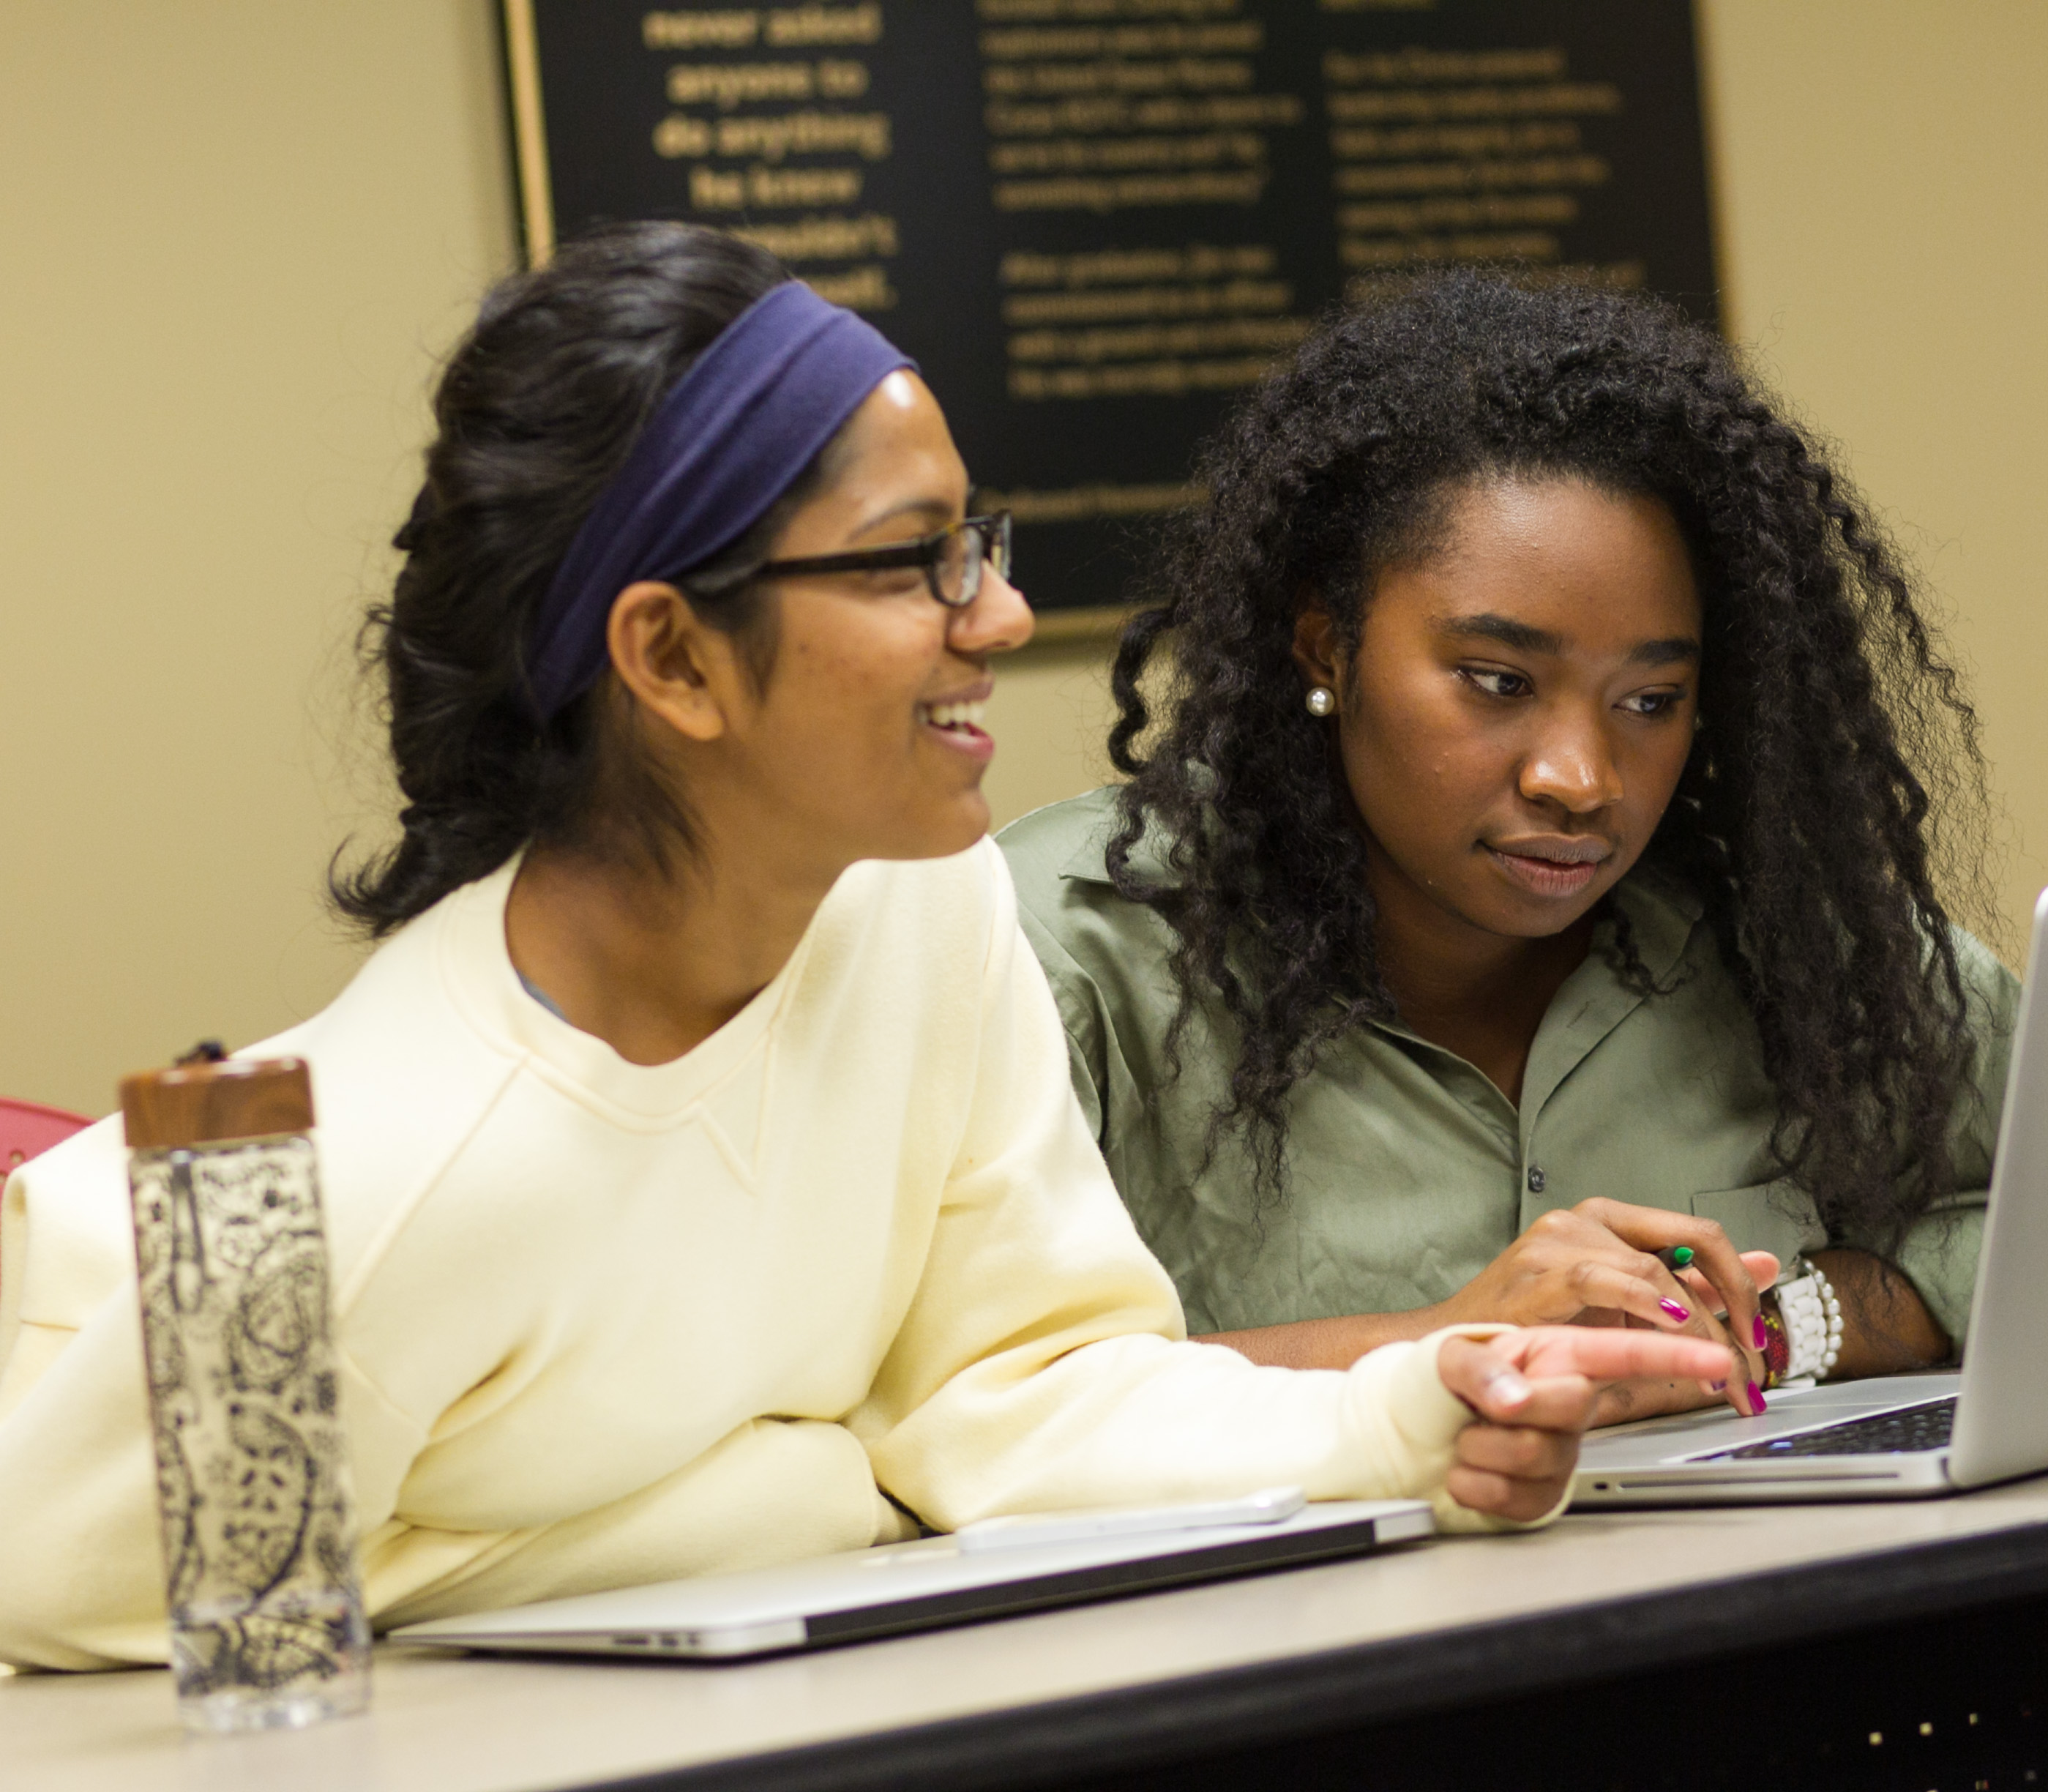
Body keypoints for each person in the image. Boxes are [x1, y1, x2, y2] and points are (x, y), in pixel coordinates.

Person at [0, 228, 1729, 1671]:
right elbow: (64, 1606)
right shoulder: (388, 1173)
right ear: (674, 660)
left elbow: (1013, 1397)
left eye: (978, 545)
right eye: (916, 565)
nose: (1001, 616)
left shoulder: (918, 907)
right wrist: (796, 1495)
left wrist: (1425, 1407)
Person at [1001, 272, 2019, 1421]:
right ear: (1326, 646)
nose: (1580, 781)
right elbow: (970, 1400)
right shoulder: (1054, 956)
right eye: (1498, 682)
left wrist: (1767, 1333)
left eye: (1650, 701)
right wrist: (1453, 1352)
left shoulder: (1790, 940)